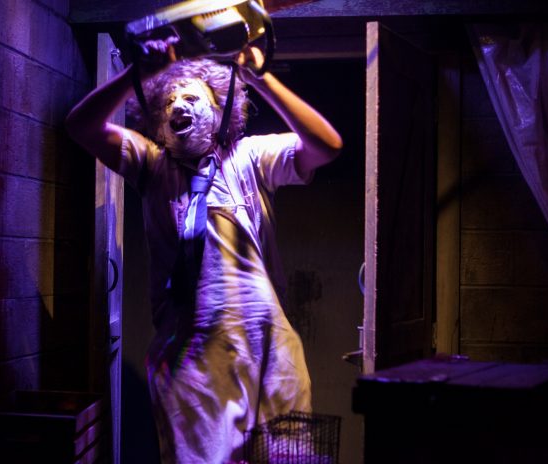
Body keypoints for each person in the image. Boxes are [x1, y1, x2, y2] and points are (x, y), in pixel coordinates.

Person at [65, 40, 342, 463]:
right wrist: (136, 74)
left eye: (192, 98)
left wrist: (261, 80)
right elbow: (81, 126)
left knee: (283, 456)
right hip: (190, 357)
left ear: (218, 111)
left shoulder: (248, 158)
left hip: (266, 347)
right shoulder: (152, 166)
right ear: (158, 125)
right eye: (169, 102)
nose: (178, 105)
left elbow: (327, 146)